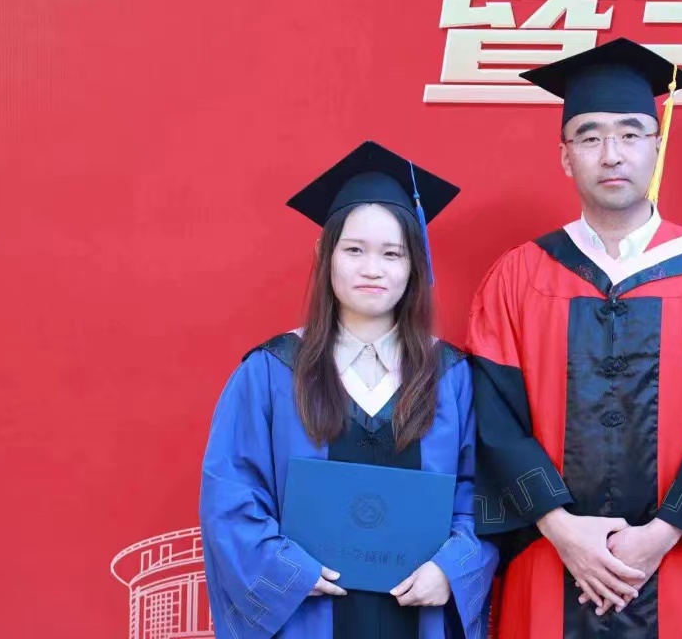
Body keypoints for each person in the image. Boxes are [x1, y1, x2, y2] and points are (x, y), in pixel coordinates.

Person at [465, 37, 682, 639]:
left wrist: (658, 537)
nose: (611, 154)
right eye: (589, 137)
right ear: (565, 156)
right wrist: (564, 530)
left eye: (630, 133)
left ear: (656, 146)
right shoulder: (518, 277)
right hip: (553, 556)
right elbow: (492, 419)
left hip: (680, 558)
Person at [199, 140, 498, 639]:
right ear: (325, 255)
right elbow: (231, 495)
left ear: (414, 264)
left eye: (392, 253)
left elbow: (482, 492)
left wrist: (452, 567)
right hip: (308, 617)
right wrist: (287, 571)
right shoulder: (270, 372)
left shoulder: (453, 376)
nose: (373, 269)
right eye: (354, 250)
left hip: (418, 617)